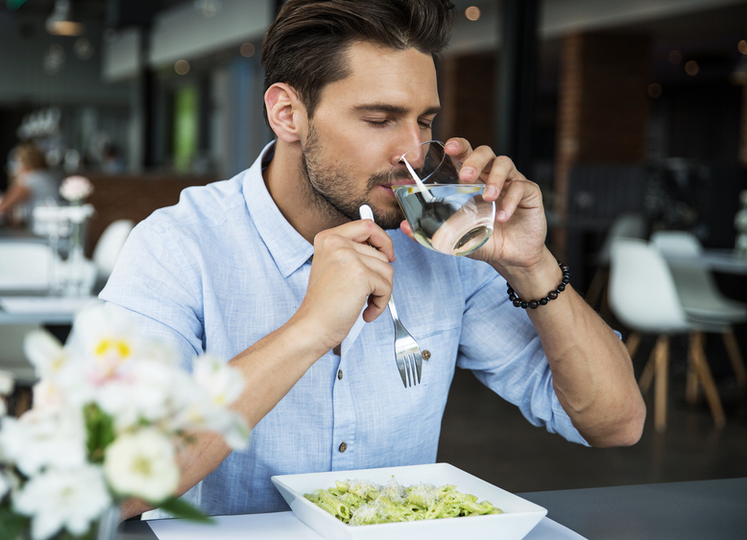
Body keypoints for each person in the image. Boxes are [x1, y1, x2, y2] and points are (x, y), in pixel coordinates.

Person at [102, 0, 645, 518]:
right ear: (288, 113)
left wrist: (531, 265)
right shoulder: (178, 246)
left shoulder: (442, 240)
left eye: (425, 121)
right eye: (380, 118)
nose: (412, 151)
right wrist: (309, 330)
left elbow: (616, 422)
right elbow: (109, 485)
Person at [0, 142, 60, 224]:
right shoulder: (44, 176)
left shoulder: (30, 179)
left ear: (26, 163)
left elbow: (2, 207)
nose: (14, 167)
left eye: (16, 162)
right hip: (49, 225)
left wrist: (14, 179)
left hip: (39, 227)